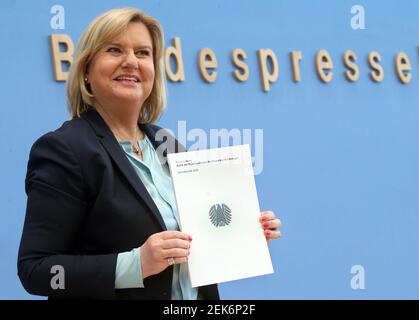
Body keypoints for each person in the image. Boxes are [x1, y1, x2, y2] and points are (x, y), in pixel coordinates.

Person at [17, 7, 282, 300]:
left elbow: (195, 244)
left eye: (143, 53)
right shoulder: (64, 150)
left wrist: (242, 234)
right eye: (115, 50)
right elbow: (36, 271)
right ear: (87, 71)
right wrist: (134, 264)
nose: (131, 62)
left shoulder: (165, 142)